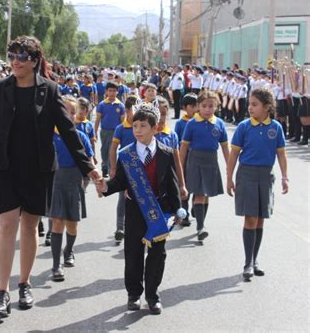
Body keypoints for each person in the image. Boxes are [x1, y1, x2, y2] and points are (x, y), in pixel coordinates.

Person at [0, 36, 99, 318]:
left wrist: (89, 167)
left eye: (22, 56)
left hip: (38, 169)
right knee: (7, 225)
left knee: (29, 226)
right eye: (12, 55)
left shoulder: (50, 91)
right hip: (5, 168)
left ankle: (24, 283)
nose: (15, 61)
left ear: (35, 60)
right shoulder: (1, 88)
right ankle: (3, 290)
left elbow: (68, 131)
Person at [95, 103, 181, 314]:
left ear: (155, 128)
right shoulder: (127, 154)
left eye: (143, 126)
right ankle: (134, 294)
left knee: (157, 254)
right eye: (135, 126)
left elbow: (172, 184)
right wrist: (106, 185)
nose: (138, 130)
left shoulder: (166, 153)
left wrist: (177, 209)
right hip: (134, 210)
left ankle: (152, 295)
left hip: (159, 210)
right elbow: (120, 182)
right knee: (133, 253)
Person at [227, 88, 288, 279]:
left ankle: (255, 260)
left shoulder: (276, 127)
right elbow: (234, 154)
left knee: (260, 218)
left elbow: (281, 153)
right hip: (247, 174)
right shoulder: (244, 127)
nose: (250, 108)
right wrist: (229, 177)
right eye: (250, 104)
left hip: (265, 176)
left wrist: (285, 176)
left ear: (267, 107)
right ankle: (247, 263)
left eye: (255, 104)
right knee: (250, 218)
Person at [49, 95, 94, 281]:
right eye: (66, 111)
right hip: (54, 183)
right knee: (57, 222)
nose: (70, 115)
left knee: (72, 224)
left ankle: (69, 250)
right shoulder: (48, 135)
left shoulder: (81, 136)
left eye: (74, 112)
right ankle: (56, 264)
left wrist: (91, 179)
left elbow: (89, 160)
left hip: (74, 181)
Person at [179, 91, 229, 242]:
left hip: (211, 161)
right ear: (198, 107)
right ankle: (201, 227)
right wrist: (180, 166)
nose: (207, 109)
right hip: (195, 160)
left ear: (216, 107)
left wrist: (229, 166)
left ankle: (201, 222)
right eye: (204, 106)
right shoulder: (192, 124)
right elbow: (183, 147)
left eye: (211, 106)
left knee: (207, 194)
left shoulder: (219, 123)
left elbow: (225, 147)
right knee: (200, 193)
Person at [109, 96, 138, 244]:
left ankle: (135, 228)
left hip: (141, 168)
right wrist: (113, 168)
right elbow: (113, 148)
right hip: (125, 168)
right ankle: (120, 228)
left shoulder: (142, 126)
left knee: (140, 198)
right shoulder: (121, 128)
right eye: (134, 109)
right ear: (126, 111)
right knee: (123, 198)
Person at [174, 93, 199, 226]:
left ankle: (197, 205)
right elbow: (177, 141)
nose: (196, 108)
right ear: (185, 107)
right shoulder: (180, 123)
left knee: (197, 184)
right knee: (184, 186)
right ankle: (185, 215)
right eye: (192, 106)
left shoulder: (200, 121)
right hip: (184, 157)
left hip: (197, 157)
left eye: (197, 105)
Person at [95, 81, 126, 178]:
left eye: (114, 91)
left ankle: (111, 168)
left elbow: (122, 121)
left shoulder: (120, 105)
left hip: (115, 132)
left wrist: (123, 133)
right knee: (104, 150)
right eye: (110, 91)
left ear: (117, 92)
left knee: (112, 150)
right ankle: (104, 165)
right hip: (104, 131)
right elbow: (97, 119)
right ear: (106, 92)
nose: (112, 93)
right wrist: (95, 132)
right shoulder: (102, 104)